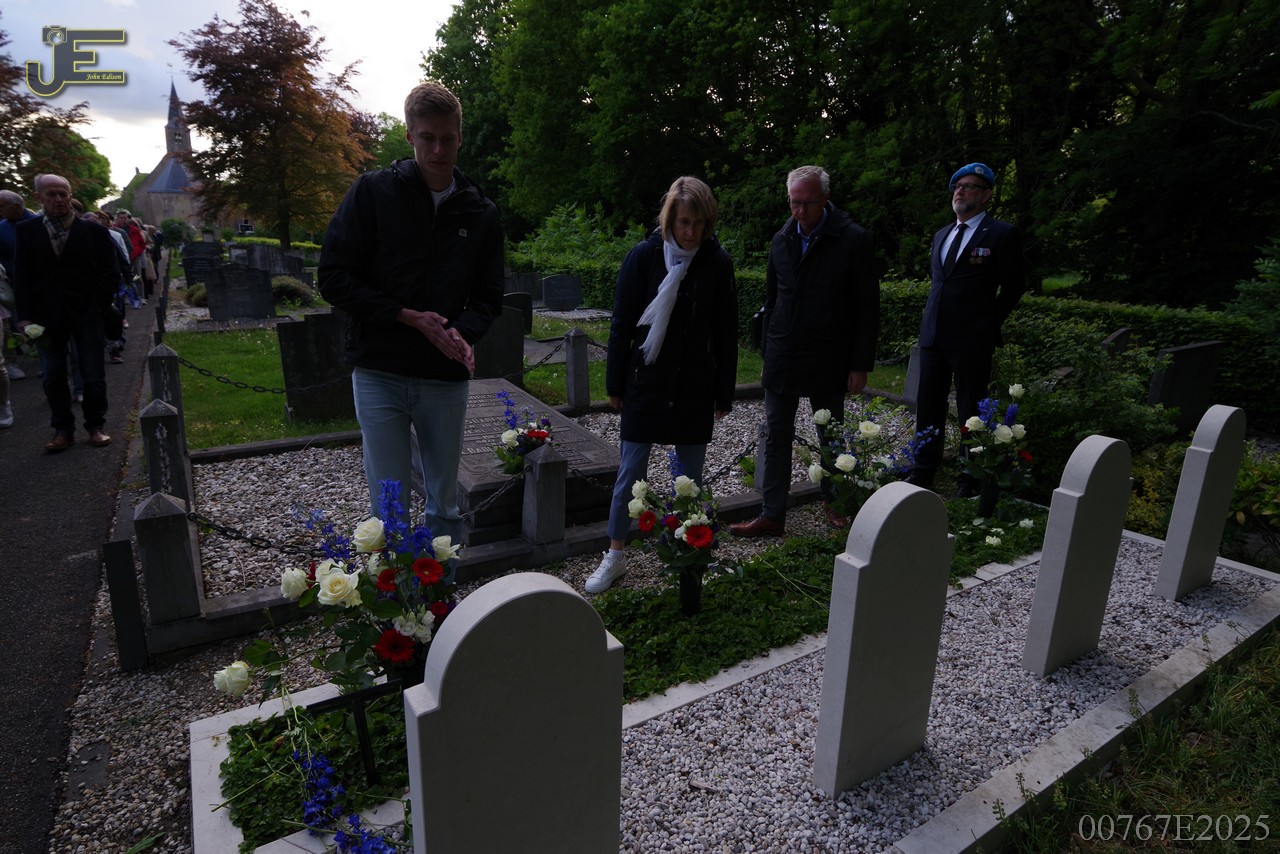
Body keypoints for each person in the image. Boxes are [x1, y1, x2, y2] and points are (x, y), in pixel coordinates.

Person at [318, 81, 503, 543]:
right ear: (409, 136)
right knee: (389, 505)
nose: (438, 150)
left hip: (443, 375)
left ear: (460, 137)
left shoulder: (481, 212)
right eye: (427, 138)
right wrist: (405, 315)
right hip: (379, 368)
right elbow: (334, 277)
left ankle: (443, 587)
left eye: (447, 139)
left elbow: (488, 296)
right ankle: (396, 589)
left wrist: (461, 332)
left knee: (444, 504)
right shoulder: (373, 193)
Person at [585, 176, 738, 593]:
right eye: (684, 222)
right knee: (630, 474)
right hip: (647, 381)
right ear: (670, 219)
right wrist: (615, 384)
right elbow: (622, 323)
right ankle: (615, 554)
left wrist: (724, 391)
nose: (691, 233)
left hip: (694, 384)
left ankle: (687, 555)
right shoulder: (644, 257)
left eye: (699, 224)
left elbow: (726, 332)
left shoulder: (717, 263)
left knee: (689, 481)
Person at [729, 165, 879, 538]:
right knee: (776, 435)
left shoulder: (853, 240)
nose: (799, 211)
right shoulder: (782, 239)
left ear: (825, 199)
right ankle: (772, 514)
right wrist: (769, 355)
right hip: (783, 354)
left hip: (829, 355)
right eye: (794, 203)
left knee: (831, 434)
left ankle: (836, 501)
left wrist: (859, 364)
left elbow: (867, 308)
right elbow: (772, 302)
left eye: (807, 203)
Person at [907, 163, 1026, 492]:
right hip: (934, 335)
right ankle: (922, 471)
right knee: (928, 406)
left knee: (971, 411)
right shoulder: (942, 234)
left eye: (969, 186)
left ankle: (970, 477)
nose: (960, 191)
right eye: (957, 186)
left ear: (986, 195)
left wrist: (988, 322)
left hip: (972, 339)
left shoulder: (1001, 233)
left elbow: (1014, 287)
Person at [12, 174, 120, 451]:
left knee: (93, 374)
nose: (59, 199)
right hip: (46, 315)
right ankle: (62, 429)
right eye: (52, 194)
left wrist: (98, 305)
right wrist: (25, 317)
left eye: (63, 194)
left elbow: (109, 272)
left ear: (70, 196)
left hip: (87, 313)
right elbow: (22, 277)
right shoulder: (27, 230)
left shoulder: (93, 231)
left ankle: (95, 425)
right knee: (53, 375)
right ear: (39, 197)